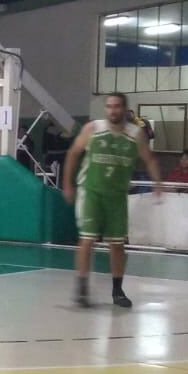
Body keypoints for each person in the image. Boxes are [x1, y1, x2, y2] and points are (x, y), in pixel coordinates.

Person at [61, 92, 164, 309]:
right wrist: (68, 184)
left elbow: (149, 159)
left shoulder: (135, 134)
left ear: (124, 109)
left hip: (117, 196)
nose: (112, 110)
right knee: (86, 240)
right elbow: (73, 154)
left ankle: (117, 290)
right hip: (91, 192)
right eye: (108, 106)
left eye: (116, 106)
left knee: (117, 245)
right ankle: (82, 287)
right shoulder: (93, 129)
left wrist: (157, 182)